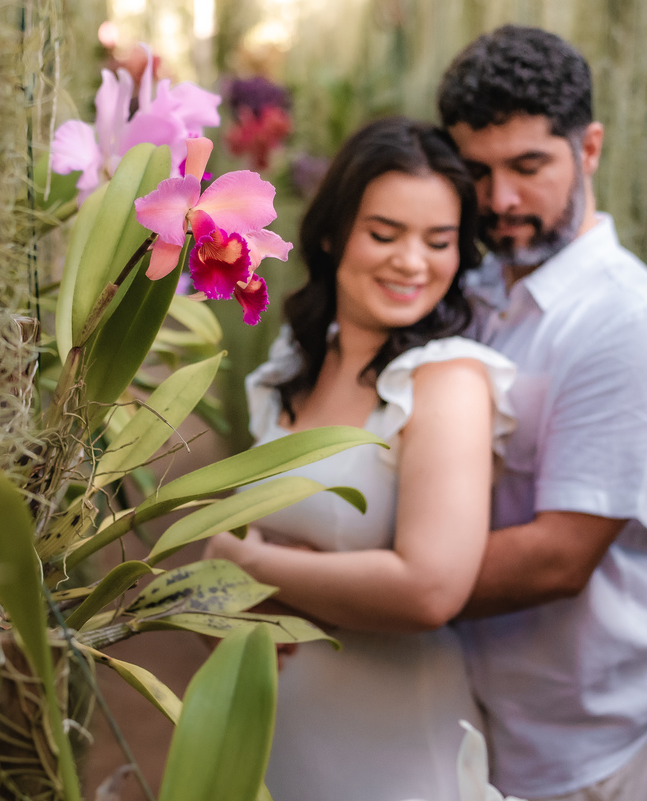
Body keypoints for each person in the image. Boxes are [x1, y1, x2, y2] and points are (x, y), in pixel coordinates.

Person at [438, 25, 647, 801]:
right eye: (478, 172)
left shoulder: (627, 323)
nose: (501, 200)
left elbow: (560, 557)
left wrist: (363, 585)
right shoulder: (475, 291)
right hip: (490, 718)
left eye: (529, 166)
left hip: (601, 740)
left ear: (588, 149)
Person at [205, 117, 516, 801]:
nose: (413, 262)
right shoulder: (295, 361)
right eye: (384, 233)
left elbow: (430, 587)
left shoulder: (447, 381)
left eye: (439, 242)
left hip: (395, 747)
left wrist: (243, 563)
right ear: (330, 232)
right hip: (280, 730)